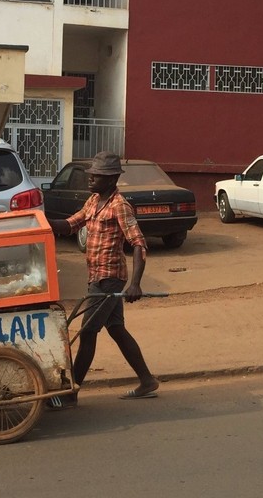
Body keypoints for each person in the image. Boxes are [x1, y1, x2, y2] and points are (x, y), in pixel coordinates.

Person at [47, 151, 159, 408]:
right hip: (95, 277)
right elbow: (70, 225)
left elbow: (139, 243)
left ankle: (71, 392)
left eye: (96, 176)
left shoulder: (120, 205)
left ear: (110, 179)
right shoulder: (93, 201)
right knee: (116, 329)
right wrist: (42, 219)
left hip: (110, 280)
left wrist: (135, 283)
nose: (90, 179)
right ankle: (147, 380)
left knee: (88, 332)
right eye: (91, 175)